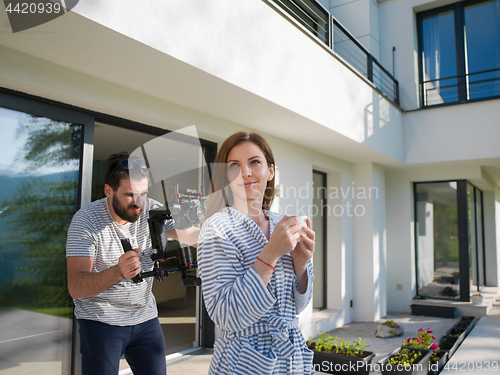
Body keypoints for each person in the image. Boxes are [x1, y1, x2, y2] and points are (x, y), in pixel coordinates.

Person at [66, 151, 198, 375]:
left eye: (143, 194)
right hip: (101, 320)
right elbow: (76, 287)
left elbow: (193, 236)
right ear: (109, 190)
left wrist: (197, 217)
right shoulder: (86, 221)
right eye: (129, 195)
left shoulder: (149, 209)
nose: (138, 203)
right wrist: (118, 272)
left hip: (145, 318)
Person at [198, 132, 316, 375]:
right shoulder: (216, 227)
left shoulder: (282, 223)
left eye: (254, 162)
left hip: (292, 356)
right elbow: (225, 313)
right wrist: (270, 254)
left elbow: (297, 307)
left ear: (271, 171)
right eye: (234, 166)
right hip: (244, 361)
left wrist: (301, 266)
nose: (246, 172)